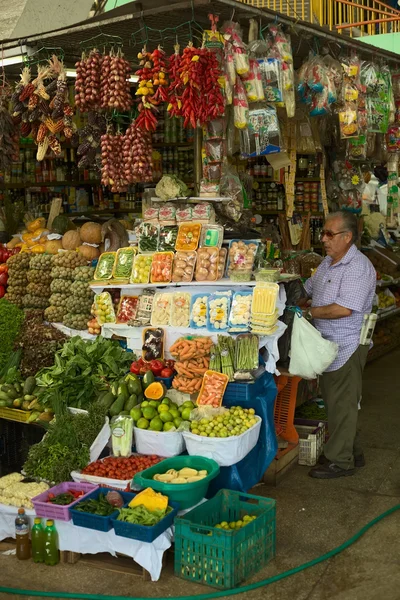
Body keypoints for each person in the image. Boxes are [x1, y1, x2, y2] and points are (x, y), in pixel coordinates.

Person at [299, 211, 376, 479]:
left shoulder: (358, 267)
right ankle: (352, 452)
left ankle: (339, 461)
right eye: (324, 233)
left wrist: (309, 313)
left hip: (348, 343)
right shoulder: (328, 263)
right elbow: (308, 288)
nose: (323, 239)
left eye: (329, 234)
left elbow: (344, 309)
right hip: (327, 343)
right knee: (337, 402)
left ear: (347, 237)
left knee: (342, 403)